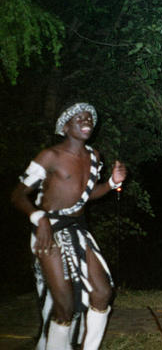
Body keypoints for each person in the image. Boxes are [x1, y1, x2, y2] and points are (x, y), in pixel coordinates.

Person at [11, 102, 126, 350]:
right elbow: (18, 195)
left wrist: (111, 183)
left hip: (77, 230)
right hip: (48, 230)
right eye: (79, 117)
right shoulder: (50, 156)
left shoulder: (94, 157)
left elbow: (86, 195)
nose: (87, 121)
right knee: (64, 306)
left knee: (102, 293)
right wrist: (38, 218)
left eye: (89, 118)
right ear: (65, 126)